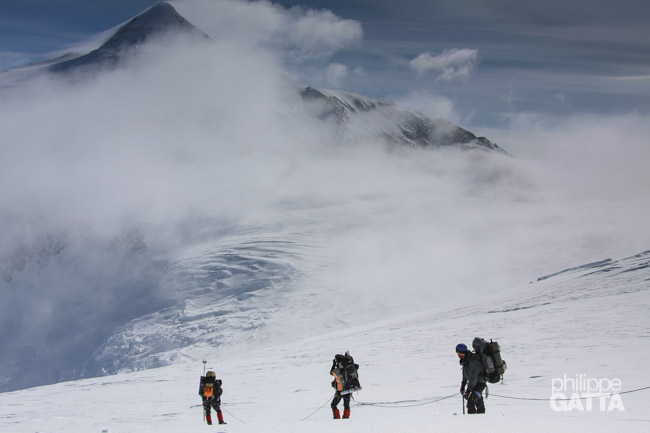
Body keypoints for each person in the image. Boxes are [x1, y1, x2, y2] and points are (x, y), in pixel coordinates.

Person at [456, 343, 486, 414]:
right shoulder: (465, 360)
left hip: (480, 383)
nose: (459, 356)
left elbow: (473, 377)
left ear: (464, 352)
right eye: (458, 354)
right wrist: (463, 385)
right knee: (478, 402)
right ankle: (482, 418)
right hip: (474, 384)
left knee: (471, 403)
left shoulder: (473, 360)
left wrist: (469, 390)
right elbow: (465, 373)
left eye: (460, 354)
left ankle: (473, 420)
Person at [329, 351, 360, 419]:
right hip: (349, 389)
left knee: (333, 405)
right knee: (346, 405)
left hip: (340, 390)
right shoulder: (349, 367)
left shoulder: (339, 369)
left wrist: (334, 363)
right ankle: (346, 418)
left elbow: (331, 372)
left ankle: (337, 418)